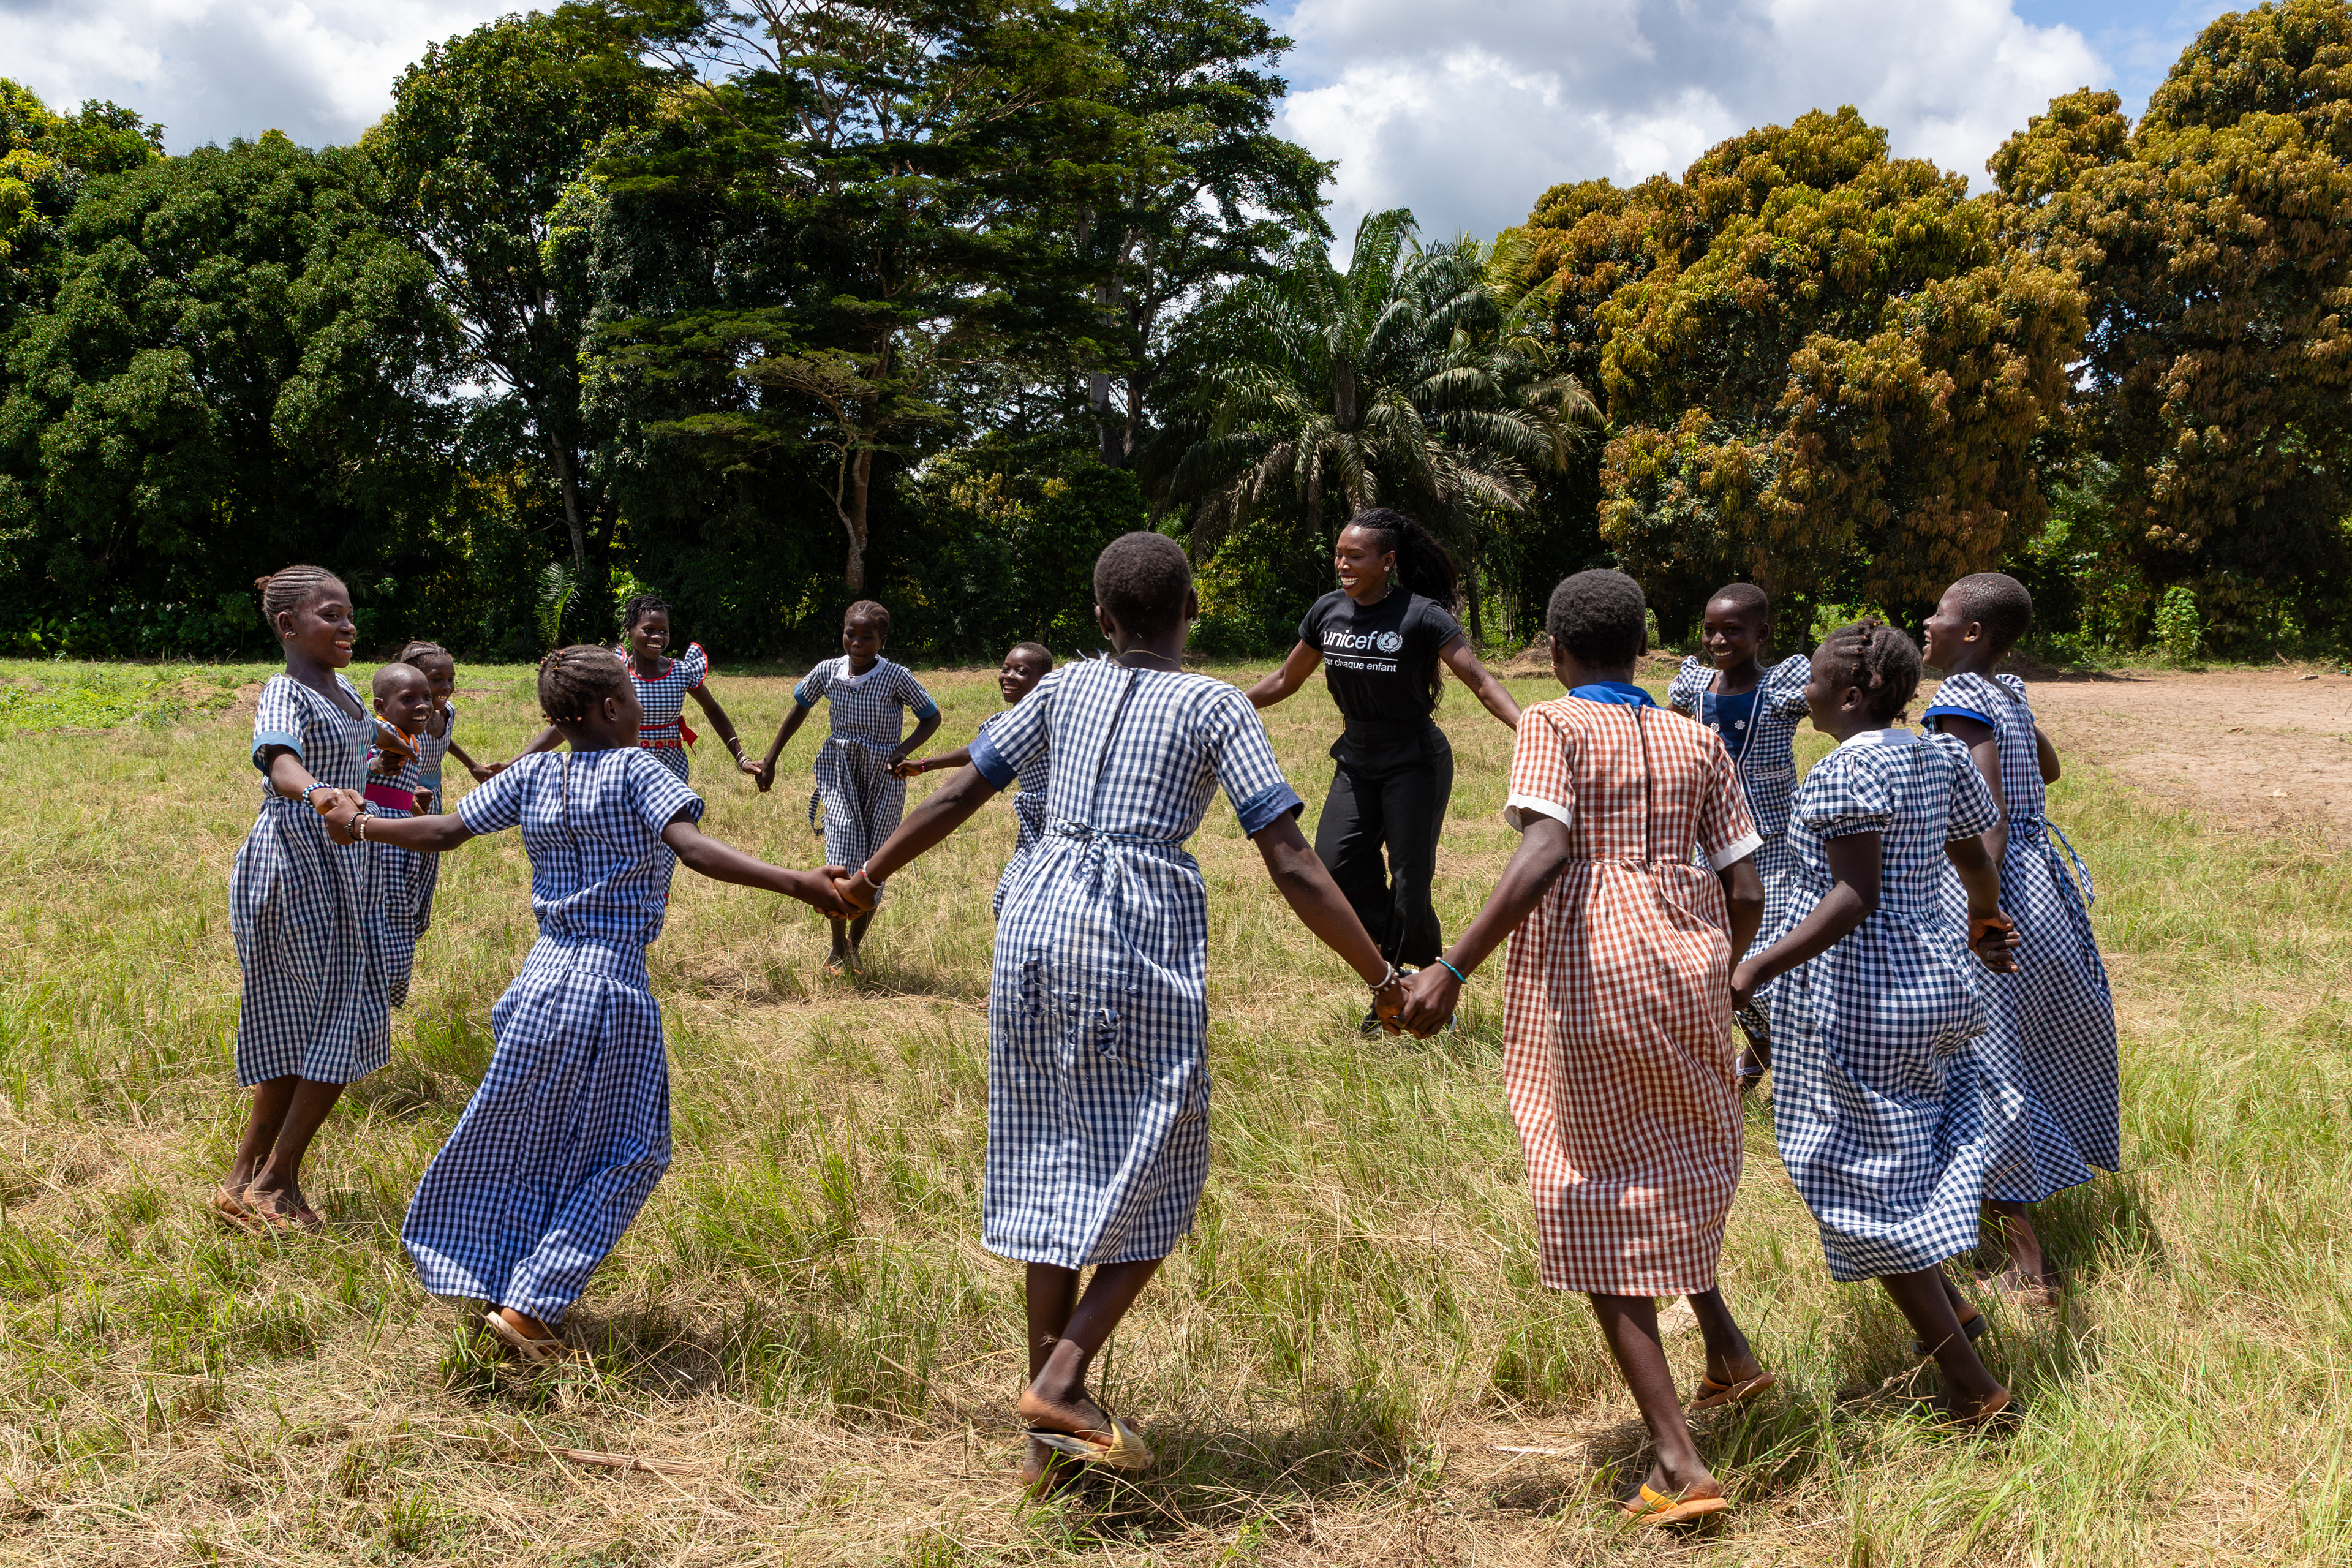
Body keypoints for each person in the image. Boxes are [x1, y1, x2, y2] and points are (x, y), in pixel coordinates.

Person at [830, 533, 1404, 1494]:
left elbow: (965, 789)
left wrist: (865, 877)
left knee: (1055, 1157)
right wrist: (1383, 977)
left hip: (1034, 915)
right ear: (1192, 613)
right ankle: (1060, 1383)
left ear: (1101, 619)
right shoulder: (1215, 704)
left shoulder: (1058, 691)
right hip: (1133, 928)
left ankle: (1043, 1450)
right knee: (1169, 1146)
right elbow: (1293, 858)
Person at [320, 646, 851, 1362]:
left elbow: (445, 832)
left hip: (538, 980)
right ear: (611, 708)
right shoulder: (641, 769)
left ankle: (486, 1272)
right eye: (634, 698)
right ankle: (534, 1306)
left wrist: (361, 825)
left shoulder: (536, 771)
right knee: (634, 1150)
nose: (641, 709)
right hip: (608, 984)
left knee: (519, 1138)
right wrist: (801, 882)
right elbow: (692, 849)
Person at [1395, 569, 1772, 1528]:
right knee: (1669, 1155)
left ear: (1557, 655)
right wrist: (1722, 981)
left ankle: (1679, 1463)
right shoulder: (1696, 736)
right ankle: (1726, 1350)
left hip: (1592, 970)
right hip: (1690, 964)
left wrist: (1453, 968)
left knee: (1588, 1183)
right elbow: (1749, 886)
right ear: (1643, 649)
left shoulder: (1552, 725)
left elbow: (1548, 846)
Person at [1730, 619, 2024, 1427]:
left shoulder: (1843, 770)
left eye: (1816, 678)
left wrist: (1755, 967)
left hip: (1860, 1001)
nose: (1803, 690)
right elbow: (1975, 860)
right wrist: (1988, 932)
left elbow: (1852, 896)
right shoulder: (1938, 756)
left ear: (1852, 695)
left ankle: (1974, 1388)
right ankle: (1955, 1312)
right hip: (1935, 983)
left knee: (1857, 1185)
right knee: (1890, 1168)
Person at [1245, 510, 1521, 1029]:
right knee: (1332, 866)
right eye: (1339, 554)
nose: (1342, 564)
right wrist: (1223, 704)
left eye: (1355, 556)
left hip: (1414, 759)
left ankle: (1415, 996)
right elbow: (1286, 678)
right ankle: (1403, 972)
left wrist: (1533, 729)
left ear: (1388, 561)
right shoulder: (1327, 612)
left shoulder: (1422, 615)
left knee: (1411, 882)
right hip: (1356, 757)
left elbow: (1480, 681)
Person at [1921, 573, 2117, 1304]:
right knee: (2022, 1053)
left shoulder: (1960, 701)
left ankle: (2026, 1267)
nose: (1929, 623)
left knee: (1987, 1064)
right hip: (2046, 893)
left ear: (1971, 633)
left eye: (1941, 614)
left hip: (1995, 889)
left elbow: (1985, 815)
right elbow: (2049, 767)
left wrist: (1983, 911)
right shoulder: (2008, 691)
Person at [217, 566, 386, 1234]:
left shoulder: (343, 689)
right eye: (331, 615)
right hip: (295, 864)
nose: (348, 626)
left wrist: (387, 766)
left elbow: (363, 750)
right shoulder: (284, 689)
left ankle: (243, 1183)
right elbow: (279, 757)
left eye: (349, 614)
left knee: (310, 1026)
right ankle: (277, 1183)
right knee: (340, 1018)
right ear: (288, 627)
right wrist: (317, 791)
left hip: (342, 864)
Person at [1666, 584, 1812, 1085]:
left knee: (1760, 955)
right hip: (1711, 845)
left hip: (1773, 844)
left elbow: (1839, 702)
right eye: (1711, 630)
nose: (1718, 640)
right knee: (1712, 952)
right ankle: (1754, 1056)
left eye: (1733, 630)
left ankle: (1769, 1053)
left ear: (1762, 635)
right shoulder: (1695, 687)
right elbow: (1672, 735)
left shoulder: (1781, 688)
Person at [755, 600, 941, 975]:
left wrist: (903, 750)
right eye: (850, 634)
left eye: (867, 637)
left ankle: (855, 945)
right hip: (840, 768)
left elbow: (931, 717)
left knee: (875, 861)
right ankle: (837, 945)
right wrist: (771, 759)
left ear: (882, 641)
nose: (857, 642)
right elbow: (799, 710)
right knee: (840, 846)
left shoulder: (897, 677)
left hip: (885, 774)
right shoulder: (827, 672)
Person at [514, 594, 753, 781]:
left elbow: (713, 711)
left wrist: (741, 758)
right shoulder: (614, 674)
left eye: (664, 631)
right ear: (629, 630)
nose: (658, 637)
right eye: (648, 629)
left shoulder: (682, 672)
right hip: (622, 765)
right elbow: (572, 722)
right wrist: (518, 761)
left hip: (670, 768)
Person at [893, 641, 1052, 915]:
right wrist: (923, 765)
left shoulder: (1056, 718)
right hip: (1035, 818)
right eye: (1005, 669)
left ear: (1045, 680)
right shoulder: (1002, 724)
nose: (1009, 676)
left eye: (1021, 671)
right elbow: (976, 754)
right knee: (1011, 897)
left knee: (1025, 897)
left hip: (1057, 815)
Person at [391, 641, 502, 965]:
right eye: (436, 679)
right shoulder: (404, 718)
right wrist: (405, 793)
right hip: (401, 802)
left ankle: (411, 932)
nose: (447, 687)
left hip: (432, 798)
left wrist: (472, 765)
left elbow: (444, 736)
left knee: (427, 867)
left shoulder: (446, 712)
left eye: (451, 679)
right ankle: (394, 937)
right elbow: (378, 757)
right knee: (402, 870)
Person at [364, 663, 435, 1007]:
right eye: (408, 699)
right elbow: (365, 767)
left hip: (398, 835)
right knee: (387, 913)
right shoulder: (380, 733)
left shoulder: (406, 737)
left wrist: (413, 801)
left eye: (426, 697)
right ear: (381, 707)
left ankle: (384, 986)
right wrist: (373, 766)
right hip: (382, 843)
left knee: (395, 911)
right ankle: (380, 985)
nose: (422, 705)